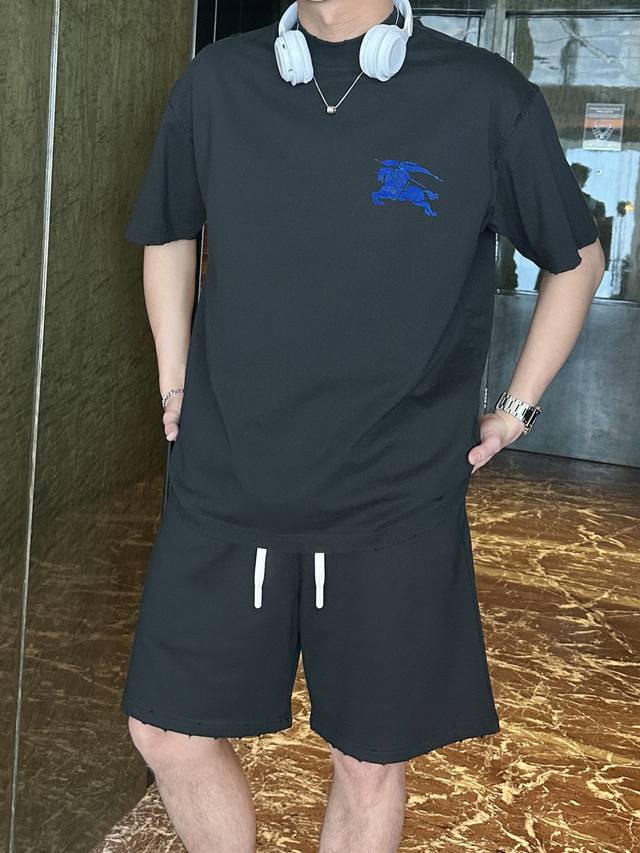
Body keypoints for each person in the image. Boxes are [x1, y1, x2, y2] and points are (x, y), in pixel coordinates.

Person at [120, 1, 605, 850]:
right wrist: (175, 378)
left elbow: (577, 257)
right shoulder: (217, 84)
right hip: (227, 478)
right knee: (166, 730)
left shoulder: (486, 97)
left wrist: (517, 409)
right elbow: (168, 231)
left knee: (369, 757)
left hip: (393, 493)